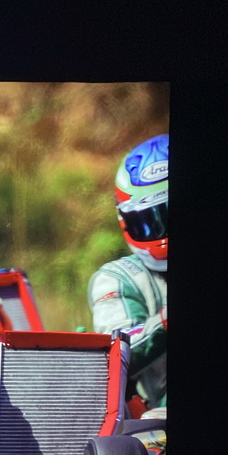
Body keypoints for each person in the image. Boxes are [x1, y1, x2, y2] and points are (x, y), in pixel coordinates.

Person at [87, 134, 167, 412]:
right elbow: (119, 353)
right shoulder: (118, 278)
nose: (163, 231)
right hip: (159, 416)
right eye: (151, 220)